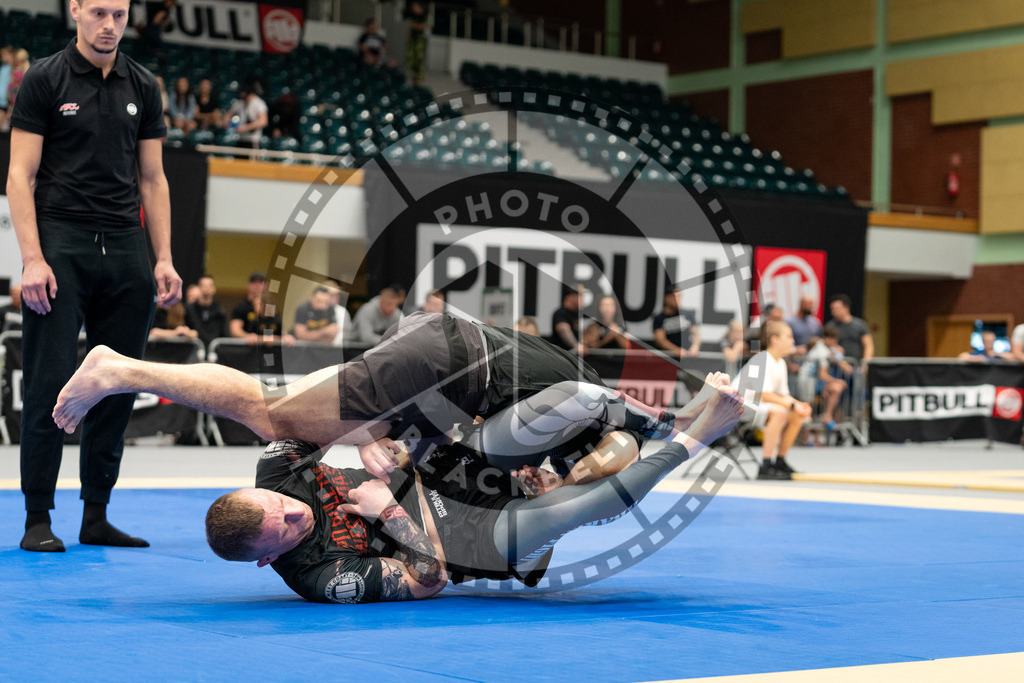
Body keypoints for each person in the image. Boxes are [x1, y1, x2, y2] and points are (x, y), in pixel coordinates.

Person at [202, 381, 743, 604]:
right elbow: (430, 579)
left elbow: (320, 406)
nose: (295, 512)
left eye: (280, 506)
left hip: (446, 471)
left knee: (571, 398)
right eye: (285, 528)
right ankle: (697, 438)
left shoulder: (276, 471)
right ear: (267, 559)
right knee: (577, 509)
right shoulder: (321, 577)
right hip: (473, 543)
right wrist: (387, 512)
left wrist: (371, 439)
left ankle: (670, 423)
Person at [54, 312, 732, 482]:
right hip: (446, 364)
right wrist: (696, 423)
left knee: (299, 419)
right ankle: (119, 369)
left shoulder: (580, 406)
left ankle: (122, 370)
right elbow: (621, 447)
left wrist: (705, 410)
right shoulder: (603, 416)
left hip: (445, 363)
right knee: (269, 412)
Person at [8, 0, 182, 552]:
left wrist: (163, 257)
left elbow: (153, 179)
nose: (110, 25)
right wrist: (32, 259)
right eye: (99, 13)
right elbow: (19, 175)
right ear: (76, 10)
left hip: (126, 246)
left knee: (118, 383)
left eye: (120, 15)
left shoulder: (144, 84)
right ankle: (37, 517)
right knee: (49, 381)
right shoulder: (44, 78)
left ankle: (96, 515)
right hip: (61, 241)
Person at [737, 321, 811, 481]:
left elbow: (783, 395)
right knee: (780, 412)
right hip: (736, 407)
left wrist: (800, 406)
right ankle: (765, 465)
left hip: (755, 407)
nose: (792, 341)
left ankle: (780, 461)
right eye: (788, 337)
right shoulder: (762, 359)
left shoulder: (781, 363)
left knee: (796, 414)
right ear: (775, 339)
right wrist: (793, 405)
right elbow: (765, 395)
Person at [798, 327, 850, 433]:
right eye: (834, 340)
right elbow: (822, 375)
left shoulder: (826, 347)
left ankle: (827, 416)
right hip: (807, 381)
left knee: (836, 388)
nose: (835, 343)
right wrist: (837, 380)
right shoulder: (822, 351)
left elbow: (839, 359)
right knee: (806, 411)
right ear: (827, 339)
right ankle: (803, 438)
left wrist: (842, 361)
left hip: (815, 381)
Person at [230, 272, 294, 345]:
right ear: (248, 285)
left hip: (268, 348)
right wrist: (248, 336)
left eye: (261, 282)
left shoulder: (271, 309)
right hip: (249, 347)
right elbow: (235, 330)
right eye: (254, 282)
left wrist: (284, 337)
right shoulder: (242, 308)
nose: (257, 285)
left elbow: (273, 328)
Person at [652, 288, 700, 358]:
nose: (678, 299)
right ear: (666, 298)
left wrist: (695, 346)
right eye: (675, 297)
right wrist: (675, 350)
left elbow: (695, 333)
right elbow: (660, 339)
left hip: (687, 355)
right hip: (667, 357)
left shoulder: (688, 315)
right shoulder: (659, 318)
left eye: (679, 296)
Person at [827, 294, 873, 365]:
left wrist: (866, 363)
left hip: (856, 364)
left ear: (846, 308)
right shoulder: (830, 326)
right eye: (832, 309)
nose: (834, 312)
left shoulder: (860, 325)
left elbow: (868, 345)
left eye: (837, 309)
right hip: (836, 365)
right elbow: (827, 345)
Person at [184, 274, 228, 347]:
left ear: (214, 289)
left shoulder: (220, 311)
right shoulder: (189, 310)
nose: (206, 288)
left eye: (209, 286)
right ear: (198, 288)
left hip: (214, 349)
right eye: (203, 285)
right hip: (193, 349)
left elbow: (224, 335)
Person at [226, 81, 268, 150]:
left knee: (253, 157)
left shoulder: (259, 103)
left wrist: (246, 127)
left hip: (253, 140)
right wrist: (230, 125)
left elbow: (263, 121)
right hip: (240, 139)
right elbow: (227, 116)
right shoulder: (239, 102)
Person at [320, 279, 353, 346]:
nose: (336, 297)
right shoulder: (315, 309)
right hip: (315, 348)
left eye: (337, 294)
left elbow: (345, 335)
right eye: (332, 295)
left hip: (337, 348)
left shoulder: (342, 311)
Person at [550, 289, 584, 353]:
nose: (582, 300)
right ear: (570, 297)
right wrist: (576, 346)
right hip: (562, 354)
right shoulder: (560, 313)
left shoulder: (576, 314)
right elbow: (563, 330)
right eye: (579, 296)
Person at [404, 1, 428, 87]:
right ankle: (413, 79)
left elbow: (422, 26)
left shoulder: (423, 16)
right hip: (413, 41)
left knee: (419, 61)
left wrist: (413, 26)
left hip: (419, 42)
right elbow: (410, 29)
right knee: (410, 60)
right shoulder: (413, 17)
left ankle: (418, 81)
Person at [0, 46, 13, 131]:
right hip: (2, 101)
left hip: (10, 102)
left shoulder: (14, 69)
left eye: (4, 54)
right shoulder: (3, 68)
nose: (2, 57)